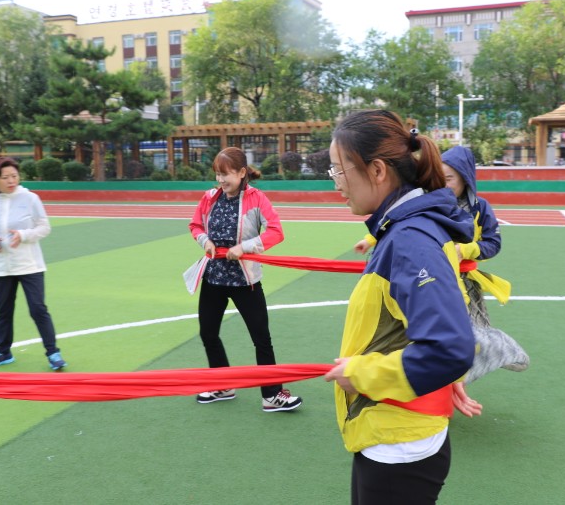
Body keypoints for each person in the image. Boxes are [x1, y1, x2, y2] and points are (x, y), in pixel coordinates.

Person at [323, 110, 475, 504]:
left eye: (339, 170)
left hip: (398, 443)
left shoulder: (410, 239)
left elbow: (450, 347)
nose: (336, 182)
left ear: (377, 170)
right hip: (396, 432)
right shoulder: (407, 229)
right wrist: (437, 374)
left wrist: (363, 373)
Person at [186, 147, 302, 412]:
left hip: (245, 280)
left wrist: (245, 247)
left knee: (261, 338)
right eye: (217, 174)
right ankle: (223, 385)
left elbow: (276, 232)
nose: (220, 180)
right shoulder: (209, 197)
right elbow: (195, 225)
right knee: (208, 333)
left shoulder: (257, 199)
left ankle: (272, 395)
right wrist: (205, 242)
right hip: (214, 277)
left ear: (241, 173)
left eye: (225, 174)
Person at [441, 146, 529, 413]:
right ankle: (437, 391)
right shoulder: (432, 202)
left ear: (465, 178)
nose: (443, 184)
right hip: (433, 279)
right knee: (434, 335)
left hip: (464, 284)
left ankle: (457, 388)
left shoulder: (479, 208)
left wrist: (467, 250)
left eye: (449, 179)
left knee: (465, 339)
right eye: (439, 177)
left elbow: (493, 243)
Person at [0, 157, 67, 371]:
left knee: (38, 309)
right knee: (4, 311)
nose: (11, 181)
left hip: (29, 265)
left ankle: (53, 353)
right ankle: (3, 351)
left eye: (14, 176)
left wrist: (23, 235)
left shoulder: (30, 198)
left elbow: (44, 227)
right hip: (1, 266)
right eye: (5, 177)